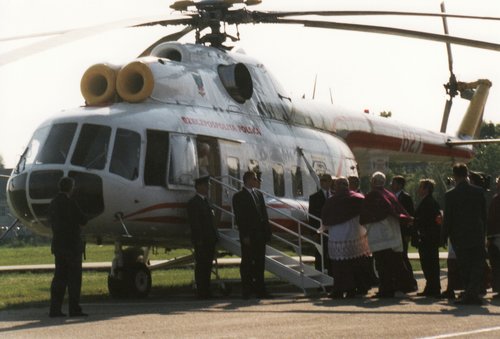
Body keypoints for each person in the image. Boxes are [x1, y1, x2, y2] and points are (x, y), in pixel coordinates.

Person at [359, 171, 415, 298]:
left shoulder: (372, 195)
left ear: (373, 182)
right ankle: (399, 286)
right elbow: (398, 211)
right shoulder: (389, 194)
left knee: (382, 265)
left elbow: (367, 215)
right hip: (393, 235)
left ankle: (386, 289)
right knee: (395, 263)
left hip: (380, 236)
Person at [442, 163, 486, 305]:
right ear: (467, 174)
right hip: (476, 234)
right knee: (477, 265)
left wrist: (443, 236)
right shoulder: (478, 192)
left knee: (464, 266)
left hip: (459, 236)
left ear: (454, 176)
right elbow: (483, 215)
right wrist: (483, 232)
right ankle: (472, 292)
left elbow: (448, 218)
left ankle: (469, 292)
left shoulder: (450, 195)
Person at [320, 177, 372, 298]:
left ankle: (340, 290)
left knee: (340, 266)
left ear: (336, 186)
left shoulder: (332, 200)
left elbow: (325, 218)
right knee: (356, 263)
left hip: (339, 236)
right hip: (355, 235)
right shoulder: (358, 198)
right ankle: (354, 289)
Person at [48, 177, 88, 317]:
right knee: (74, 279)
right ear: (70, 187)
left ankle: (55, 308)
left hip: (58, 245)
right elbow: (83, 219)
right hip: (72, 245)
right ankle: (74, 308)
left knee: (59, 278)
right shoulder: (70, 203)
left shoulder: (53, 203)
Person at [232, 171, 272, 299]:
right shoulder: (239, 196)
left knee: (260, 263)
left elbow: (264, 215)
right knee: (247, 263)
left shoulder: (258, 195)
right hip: (249, 235)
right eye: (254, 179)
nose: (256, 181)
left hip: (260, 235)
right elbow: (240, 218)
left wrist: (267, 232)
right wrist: (245, 235)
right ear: (248, 180)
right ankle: (247, 289)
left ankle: (260, 289)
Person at [187, 176, 218, 299]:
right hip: (201, 241)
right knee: (201, 266)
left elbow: (211, 222)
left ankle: (207, 289)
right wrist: (199, 240)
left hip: (209, 240)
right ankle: (201, 291)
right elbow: (195, 224)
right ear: (199, 187)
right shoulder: (193, 203)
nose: (208, 188)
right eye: (206, 185)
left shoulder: (207, 202)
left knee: (208, 266)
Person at [413, 179, 442, 298]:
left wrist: (414, 221)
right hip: (429, 238)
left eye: (421, 187)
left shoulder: (428, 202)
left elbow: (427, 220)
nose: (419, 189)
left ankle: (433, 287)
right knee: (429, 264)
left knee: (429, 263)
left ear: (426, 189)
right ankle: (432, 286)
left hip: (428, 238)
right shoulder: (429, 201)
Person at [391, 175, 418, 291]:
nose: (392, 185)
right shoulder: (392, 196)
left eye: (394, 183)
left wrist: (408, 233)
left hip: (403, 231)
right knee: (397, 257)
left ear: (400, 185)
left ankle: (410, 281)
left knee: (403, 257)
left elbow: (409, 215)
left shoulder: (405, 197)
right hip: (395, 230)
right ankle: (400, 281)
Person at [308, 174, 332, 272]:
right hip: (320, 232)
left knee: (332, 257)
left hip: (333, 232)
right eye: (321, 180)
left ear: (330, 182)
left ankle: (332, 278)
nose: (322, 182)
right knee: (320, 256)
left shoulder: (334, 195)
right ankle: (319, 280)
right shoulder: (314, 197)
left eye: (325, 180)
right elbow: (312, 215)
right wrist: (313, 232)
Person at [487, 176, 500, 298]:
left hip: (496, 236)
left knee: (497, 264)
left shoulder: (496, 200)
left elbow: (492, 220)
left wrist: (489, 237)